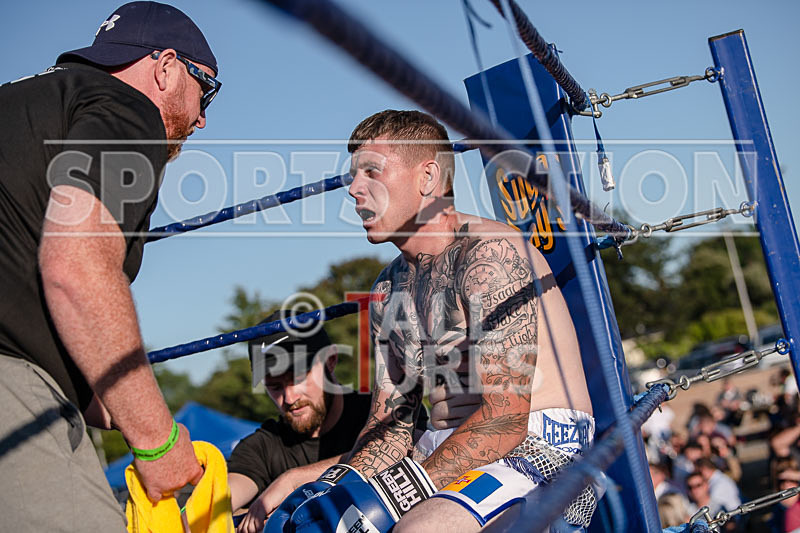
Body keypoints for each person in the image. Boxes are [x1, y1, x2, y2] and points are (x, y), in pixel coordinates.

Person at [0, 2, 220, 530]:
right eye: (206, 91)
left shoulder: (23, 104)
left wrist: (124, 409)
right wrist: (157, 440)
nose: (203, 117)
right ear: (166, 67)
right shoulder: (128, 111)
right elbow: (77, 269)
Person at [335, 109, 595, 531]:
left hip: (541, 445)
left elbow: (506, 416)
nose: (354, 189)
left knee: (418, 530)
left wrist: (400, 490)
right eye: (353, 175)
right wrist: (339, 485)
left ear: (427, 177)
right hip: (443, 449)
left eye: (371, 172)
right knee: (323, 521)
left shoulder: (489, 253)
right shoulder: (387, 290)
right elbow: (391, 424)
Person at [228, 309, 430, 533]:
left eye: (297, 378)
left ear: (330, 361)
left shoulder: (383, 412)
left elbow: (411, 458)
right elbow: (219, 501)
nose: (289, 398)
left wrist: (293, 481)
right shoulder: (261, 447)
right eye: (275, 387)